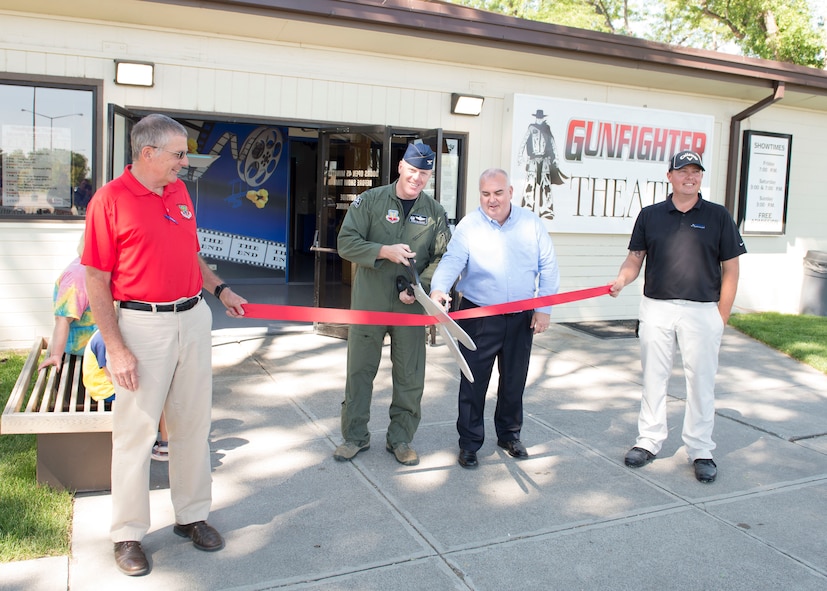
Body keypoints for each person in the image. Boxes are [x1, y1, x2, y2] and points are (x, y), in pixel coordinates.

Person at [83, 113, 247, 576]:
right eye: (178, 154)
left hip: (193, 317)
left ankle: (191, 515)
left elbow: (190, 254)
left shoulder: (177, 191)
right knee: (135, 434)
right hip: (141, 325)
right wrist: (115, 347)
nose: (185, 162)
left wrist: (220, 290)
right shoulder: (109, 201)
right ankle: (128, 533)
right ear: (147, 152)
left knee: (192, 425)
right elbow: (96, 279)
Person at [609, 150, 746, 484]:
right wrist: (622, 280)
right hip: (657, 306)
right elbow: (634, 258)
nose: (690, 176)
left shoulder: (717, 216)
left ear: (701, 177)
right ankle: (649, 440)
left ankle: (700, 449)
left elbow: (731, 269)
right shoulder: (651, 215)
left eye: (696, 171)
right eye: (683, 171)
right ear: (669, 176)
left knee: (701, 381)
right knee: (654, 377)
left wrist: (721, 316)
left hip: (702, 310)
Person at [430, 168, 560, 469]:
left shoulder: (531, 225)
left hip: (521, 318)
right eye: (486, 193)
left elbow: (548, 267)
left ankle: (509, 434)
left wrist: (544, 308)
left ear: (510, 192)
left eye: (498, 192)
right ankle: (470, 443)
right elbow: (452, 261)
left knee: (514, 381)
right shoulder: (469, 226)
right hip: (479, 316)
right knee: (473, 383)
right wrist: (438, 289)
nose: (492, 199)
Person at [335, 142, 451, 466]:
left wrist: (422, 287)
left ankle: (400, 439)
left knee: (410, 377)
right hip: (369, 303)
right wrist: (383, 251)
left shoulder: (435, 212)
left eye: (424, 173)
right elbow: (345, 242)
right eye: (413, 170)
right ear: (401, 166)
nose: (417, 178)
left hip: (410, 307)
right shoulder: (370, 201)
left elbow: (443, 257)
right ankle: (354, 437)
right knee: (359, 371)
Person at [82, 330, 170, 461]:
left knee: (157, 390)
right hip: (104, 388)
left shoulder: (106, 334)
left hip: (101, 383)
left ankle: (158, 439)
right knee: (161, 396)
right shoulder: (104, 340)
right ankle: (166, 444)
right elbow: (110, 377)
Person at [38, 232, 96, 371]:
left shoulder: (91, 269)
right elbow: (62, 318)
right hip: (84, 346)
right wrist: (56, 354)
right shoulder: (78, 275)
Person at [518, 109, 567, 220]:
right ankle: (527, 207)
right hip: (533, 159)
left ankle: (546, 210)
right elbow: (524, 142)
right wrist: (520, 157)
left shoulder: (547, 129)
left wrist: (556, 159)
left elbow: (553, 143)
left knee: (546, 185)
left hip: (545, 160)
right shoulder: (531, 128)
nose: (539, 120)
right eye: (538, 118)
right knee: (530, 183)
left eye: (541, 118)